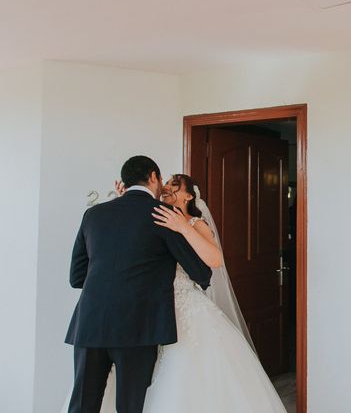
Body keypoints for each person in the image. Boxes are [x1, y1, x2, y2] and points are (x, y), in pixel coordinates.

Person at [62, 173, 287, 412]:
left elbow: (214, 261)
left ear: (189, 196)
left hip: (180, 309)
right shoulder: (155, 216)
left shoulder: (192, 223)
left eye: (175, 186)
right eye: (166, 183)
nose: (167, 188)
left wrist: (183, 227)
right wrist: (125, 204)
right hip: (145, 313)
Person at [64, 156, 212, 413]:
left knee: (82, 405)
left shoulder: (94, 213)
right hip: (137, 326)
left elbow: (77, 277)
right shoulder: (163, 215)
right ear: (153, 177)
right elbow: (201, 273)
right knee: (130, 406)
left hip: (90, 323)